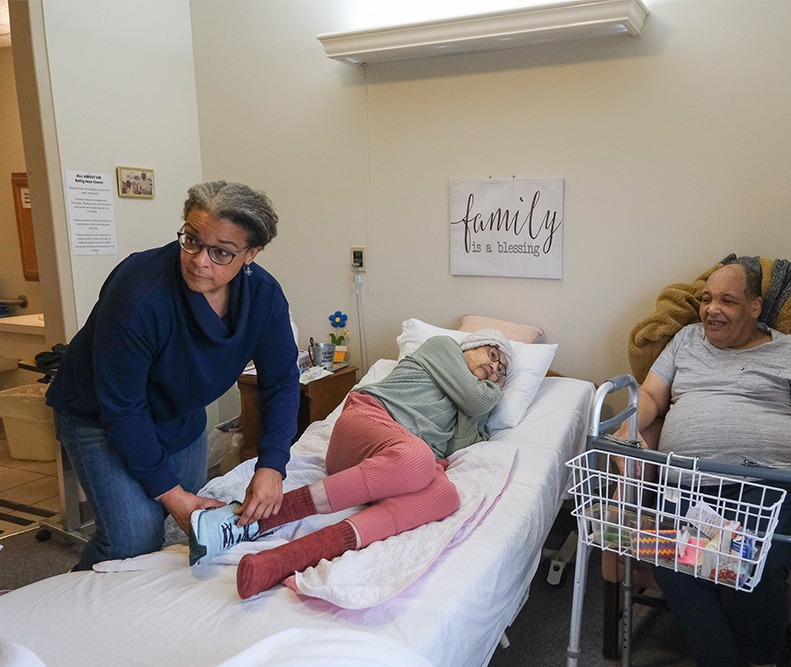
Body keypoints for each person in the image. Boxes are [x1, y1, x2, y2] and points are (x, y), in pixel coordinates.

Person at [625, 259, 791, 667]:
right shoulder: (686, 341)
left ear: (756, 307)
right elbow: (652, 396)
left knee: (755, 564)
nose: (712, 309)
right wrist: (629, 427)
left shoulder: (789, 352)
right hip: (686, 486)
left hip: (769, 490)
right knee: (667, 554)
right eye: (707, 299)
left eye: (727, 300)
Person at [47, 181, 299, 571]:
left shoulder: (263, 296)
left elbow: (280, 382)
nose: (200, 261)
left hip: (178, 413)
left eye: (221, 253)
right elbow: (123, 407)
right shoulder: (139, 290)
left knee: (182, 526)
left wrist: (271, 466)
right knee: (132, 539)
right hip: (100, 414)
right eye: (192, 241)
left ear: (251, 253)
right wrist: (170, 492)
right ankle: (68, 610)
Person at [208, 331, 514, 598]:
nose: (494, 367)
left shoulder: (472, 396)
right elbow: (477, 400)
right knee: (418, 456)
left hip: (400, 468)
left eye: (501, 371)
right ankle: (266, 518)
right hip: (367, 424)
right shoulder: (443, 347)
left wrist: (474, 405)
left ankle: (282, 561)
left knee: (447, 497)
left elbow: (461, 446)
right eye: (492, 354)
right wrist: (490, 390)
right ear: (472, 345)